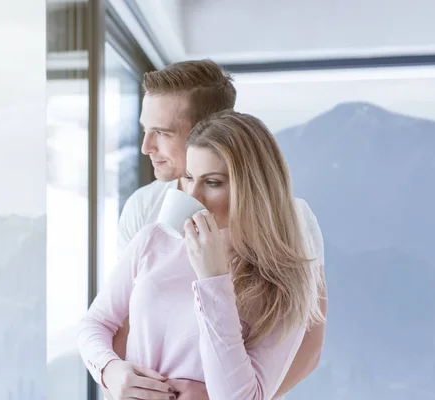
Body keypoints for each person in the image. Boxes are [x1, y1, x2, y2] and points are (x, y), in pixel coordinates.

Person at [111, 60, 327, 399]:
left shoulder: (291, 219)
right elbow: (123, 323)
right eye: (145, 130)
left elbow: (308, 344)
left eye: (163, 133)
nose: (146, 147)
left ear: (208, 129)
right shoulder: (144, 209)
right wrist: (117, 379)